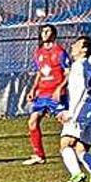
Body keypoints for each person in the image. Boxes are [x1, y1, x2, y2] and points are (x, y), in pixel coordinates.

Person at [56, 36, 91, 182]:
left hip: (80, 110)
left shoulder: (78, 66)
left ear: (84, 49)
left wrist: (71, 113)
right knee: (81, 148)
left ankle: (76, 174)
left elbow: (80, 91)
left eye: (76, 44)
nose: (72, 46)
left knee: (65, 144)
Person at [23, 24, 69, 165]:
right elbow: (40, 72)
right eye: (43, 31)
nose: (44, 33)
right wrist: (33, 89)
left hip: (56, 94)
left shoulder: (60, 52)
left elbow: (68, 73)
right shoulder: (38, 53)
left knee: (66, 122)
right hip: (42, 94)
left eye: (48, 31)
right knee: (32, 121)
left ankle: (75, 151)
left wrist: (60, 88)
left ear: (54, 35)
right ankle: (39, 155)